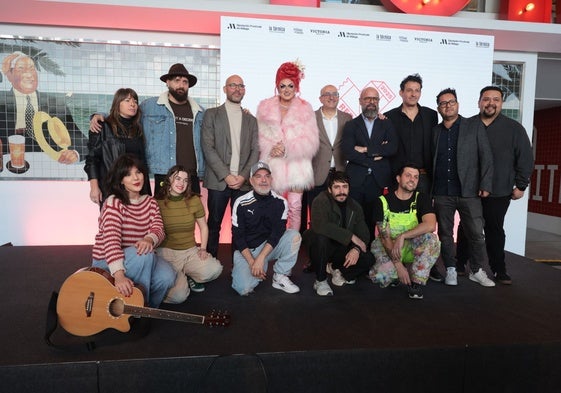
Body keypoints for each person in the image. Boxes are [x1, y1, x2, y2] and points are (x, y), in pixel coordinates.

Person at [456, 86, 534, 284]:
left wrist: (521, 185)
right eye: (486, 99)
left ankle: (499, 270)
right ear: (479, 102)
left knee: (494, 230)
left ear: (501, 103)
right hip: (469, 191)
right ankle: (459, 265)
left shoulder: (514, 128)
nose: (491, 103)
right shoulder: (466, 125)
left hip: (499, 190)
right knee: (466, 229)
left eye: (496, 99)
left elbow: (525, 158)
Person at [91, 63, 204, 195]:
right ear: (167, 82)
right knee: (162, 214)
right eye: (177, 80)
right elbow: (126, 113)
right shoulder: (150, 106)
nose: (181, 85)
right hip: (164, 172)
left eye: (185, 82)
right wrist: (100, 115)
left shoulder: (199, 111)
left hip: (192, 174)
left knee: (193, 213)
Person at [91, 153, 176, 308]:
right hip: (108, 261)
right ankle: (137, 309)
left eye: (138, 172)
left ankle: (149, 307)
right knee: (145, 253)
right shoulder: (113, 203)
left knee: (167, 276)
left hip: (139, 257)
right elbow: (111, 241)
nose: (136, 178)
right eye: (128, 175)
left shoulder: (150, 202)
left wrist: (149, 239)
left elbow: (158, 229)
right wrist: (119, 275)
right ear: (121, 180)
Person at [431, 88, 495, 288]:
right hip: (442, 192)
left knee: (476, 233)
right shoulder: (435, 131)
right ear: (439, 108)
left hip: (469, 191)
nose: (447, 106)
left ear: (457, 104)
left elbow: (486, 156)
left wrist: (485, 184)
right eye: (443, 103)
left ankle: (477, 270)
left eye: (451, 102)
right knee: (445, 234)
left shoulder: (473, 126)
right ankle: (450, 269)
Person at [384, 73, 442, 283]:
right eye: (409, 90)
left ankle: (427, 263)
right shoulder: (389, 116)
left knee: (423, 219)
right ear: (401, 92)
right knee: (397, 220)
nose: (413, 94)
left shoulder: (430, 115)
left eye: (417, 90)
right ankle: (395, 259)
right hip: (398, 179)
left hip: (424, 177)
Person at [256, 60, 319, 230]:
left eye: (290, 86)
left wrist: (287, 149)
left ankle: (293, 246)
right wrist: (271, 148)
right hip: (274, 164)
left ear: (296, 87)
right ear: (277, 86)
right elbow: (260, 136)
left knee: (295, 208)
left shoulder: (305, 108)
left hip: (298, 165)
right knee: (274, 208)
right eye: (282, 86)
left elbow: (311, 140)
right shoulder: (265, 107)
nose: (286, 90)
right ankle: (273, 245)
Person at [201, 75, 259, 258]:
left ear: (244, 90)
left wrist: (242, 176)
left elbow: (255, 151)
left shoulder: (252, 120)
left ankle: (239, 265)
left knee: (240, 226)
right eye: (232, 85)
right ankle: (210, 263)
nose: (237, 89)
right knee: (214, 224)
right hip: (219, 181)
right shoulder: (211, 114)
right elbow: (207, 148)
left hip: (243, 183)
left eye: (241, 86)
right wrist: (226, 175)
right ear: (225, 89)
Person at [0, 51, 87, 164]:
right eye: (21, 69)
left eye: (32, 69)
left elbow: (82, 141)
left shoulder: (56, 104)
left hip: (51, 166)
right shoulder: (2, 103)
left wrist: (75, 153)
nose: (29, 74)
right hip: (11, 167)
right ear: (9, 75)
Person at [370, 164, 440, 299]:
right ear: (398, 178)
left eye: (416, 177)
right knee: (381, 277)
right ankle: (396, 274)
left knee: (431, 240)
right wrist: (398, 266)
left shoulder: (422, 198)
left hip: (411, 245)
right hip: (389, 246)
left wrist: (403, 236)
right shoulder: (382, 201)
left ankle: (416, 282)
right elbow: (385, 238)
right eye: (408, 175)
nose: (412, 179)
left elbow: (430, 225)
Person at [231, 161, 302, 296]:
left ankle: (280, 275)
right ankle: (248, 268)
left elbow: (277, 233)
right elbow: (238, 236)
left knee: (294, 235)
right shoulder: (241, 202)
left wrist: (261, 258)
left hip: (269, 248)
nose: (263, 180)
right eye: (258, 176)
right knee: (243, 288)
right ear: (251, 181)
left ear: (271, 179)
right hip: (247, 250)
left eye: (267, 176)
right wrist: (253, 262)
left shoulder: (280, 202)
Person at [156, 165, 223, 302]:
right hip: (167, 254)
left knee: (216, 269)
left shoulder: (194, 200)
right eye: (178, 178)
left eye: (185, 180)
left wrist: (203, 248)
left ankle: (189, 275)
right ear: (169, 179)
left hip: (190, 252)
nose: (181, 183)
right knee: (178, 297)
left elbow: (204, 227)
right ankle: (180, 278)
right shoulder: (157, 202)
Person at [303, 171, 374, 296]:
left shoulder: (355, 206)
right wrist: (351, 236)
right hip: (320, 247)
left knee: (369, 258)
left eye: (344, 187)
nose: (341, 191)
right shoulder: (320, 200)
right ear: (330, 189)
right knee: (321, 237)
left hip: (341, 248)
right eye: (337, 187)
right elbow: (320, 226)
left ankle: (337, 269)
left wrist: (356, 249)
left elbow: (364, 234)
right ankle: (320, 280)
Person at [341, 86, 398, 243]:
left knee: (373, 220)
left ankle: (369, 255)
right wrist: (376, 154)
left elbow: (392, 147)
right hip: (356, 180)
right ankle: (354, 252)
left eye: (375, 99)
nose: (371, 102)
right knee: (353, 220)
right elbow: (348, 151)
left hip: (377, 181)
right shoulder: (351, 125)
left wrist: (366, 149)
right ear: (360, 101)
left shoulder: (386, 123)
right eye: (367, 99)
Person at [84, 88, 150, 206]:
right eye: (127, 100)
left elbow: (142, 161)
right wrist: (94, 187)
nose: (132, 104)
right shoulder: (102, 126)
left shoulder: (138, 128)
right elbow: (92, 159)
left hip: (137, 188)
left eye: (135, 101)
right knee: (113, 221)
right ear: (117, 103)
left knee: (139, 221)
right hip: (112, 187)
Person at [301, 84, 352, 233]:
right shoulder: (310, 117)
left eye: (335, 94)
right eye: (327, 94)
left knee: (340, 215)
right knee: (317, 216)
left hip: (340, 174)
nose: (331, 97)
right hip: (317, 175)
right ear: (320, 98)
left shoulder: (347, 118)